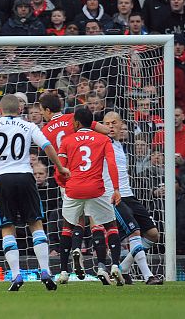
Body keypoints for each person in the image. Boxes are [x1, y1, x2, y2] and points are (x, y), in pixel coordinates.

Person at [0, 94, 69, 291]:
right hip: (26, 176)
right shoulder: (28, 125)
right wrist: (60, 167)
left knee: (7, 227)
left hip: (2, 178)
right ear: (20, 110)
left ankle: (16, 275)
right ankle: (45, 270)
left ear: (0, 111)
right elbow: (47, 146)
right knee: (35, 223)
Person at [38, 92, 110, 283]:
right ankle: (101, 264)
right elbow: (103, 129)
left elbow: (43, 151)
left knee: (72, 220)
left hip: (66, 178)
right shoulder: (74, 118)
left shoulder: (45, 130)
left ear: (46, 110)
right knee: (95, 219)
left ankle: (68, 262)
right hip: (90, 175)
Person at [57, 107, 124, 285]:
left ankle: (63, 271)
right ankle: (115, 265)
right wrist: (116, 188)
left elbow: (60, 169)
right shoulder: (103, 139)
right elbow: (111, 164)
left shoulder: (67, 140)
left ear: (77, 123)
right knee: (110, 224)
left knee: (68, 226)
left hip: (74, 188)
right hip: (96, 189)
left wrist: (64, 184)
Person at [102, 112, 163, 285]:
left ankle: (123, 269)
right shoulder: (100, 143)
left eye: (114, 122)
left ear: (121, 125)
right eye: (107, 123)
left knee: (152, 235)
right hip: (113, 196)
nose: (111, 126)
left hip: (128, 194)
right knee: (134, 232)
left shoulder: (120, 145)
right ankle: (148, 276)